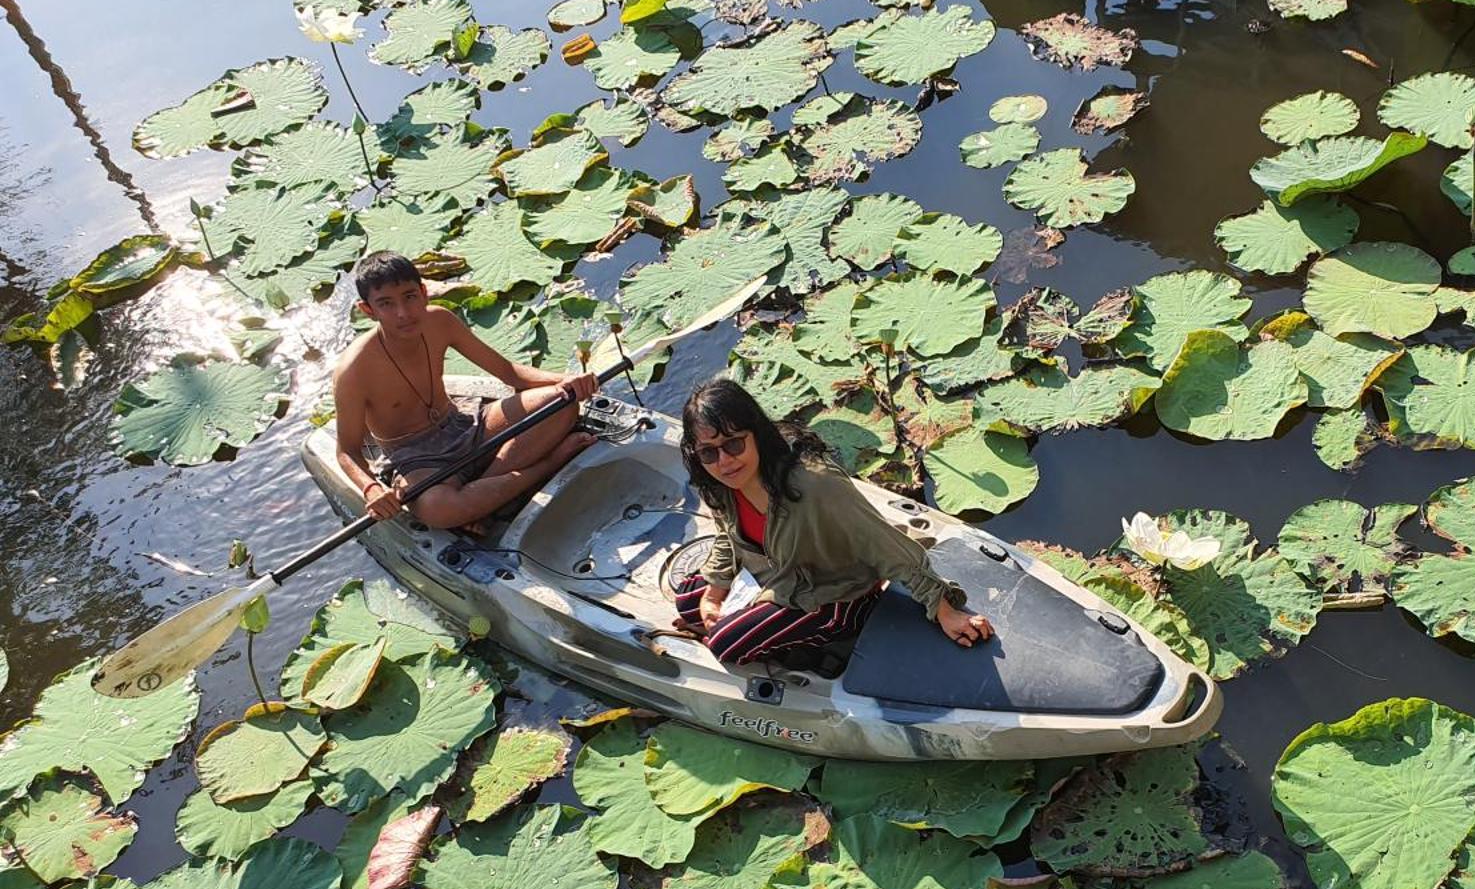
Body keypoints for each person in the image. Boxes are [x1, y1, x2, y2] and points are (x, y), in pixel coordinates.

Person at [671, 378, 995, 666]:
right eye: (709, 452)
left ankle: (834, 632)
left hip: (830, 590)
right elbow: (728, 539)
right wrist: (714, 593)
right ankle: (747, 618)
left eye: (733, 444)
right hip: (775, 574)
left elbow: (883, 544)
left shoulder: (815, 486)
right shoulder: (718, 482)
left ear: (755, 433)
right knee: (688, 600)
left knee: (725, 645)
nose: (724, 461)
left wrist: (944, 609)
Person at [333, 251, 599, 530]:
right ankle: (546, 465)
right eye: (386, 304)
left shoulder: (440, 321)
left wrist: (566, 380)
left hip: (462, 424)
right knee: (438, 509)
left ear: (424, 293)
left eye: (410, 296)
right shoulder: (354, 370)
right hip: (416, 457)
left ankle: (482, 494)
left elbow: (508, 372)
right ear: (368, 310)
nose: (403, 313)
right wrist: (370, 489)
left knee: (562, 402)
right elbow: (347, 451)